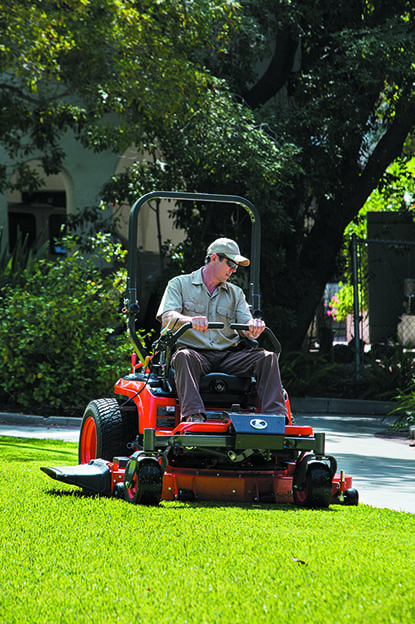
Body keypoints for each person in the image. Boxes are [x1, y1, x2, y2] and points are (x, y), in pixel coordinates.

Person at [156, 237, 288, 423]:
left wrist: (254, 328)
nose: (234, 269)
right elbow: (167, 317)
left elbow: (246, 326)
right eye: (231, 263)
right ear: (214, 258)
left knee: (267, 357)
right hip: (196, 355)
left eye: (236, 265)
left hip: (229, 357)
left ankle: (276, 419)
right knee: (183, 356)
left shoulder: (235, 293)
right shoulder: (179, 284)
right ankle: (194, 418)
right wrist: (190, 320)